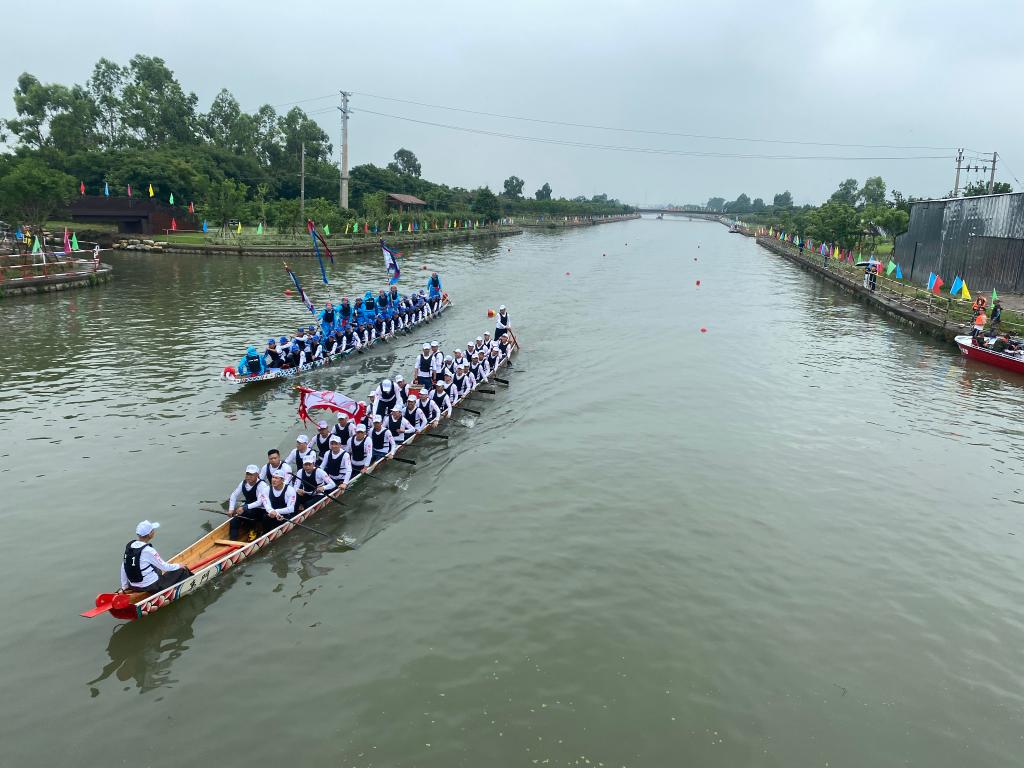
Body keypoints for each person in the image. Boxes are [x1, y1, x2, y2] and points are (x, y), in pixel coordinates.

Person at [119, 520, 192, 595]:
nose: (154, 531)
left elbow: (124, 567)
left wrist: (124, 586)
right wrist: (179, 565)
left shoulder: (130, 546)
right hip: (151, 586)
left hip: (133, 586)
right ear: (150, 534)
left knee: (158, 570)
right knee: (182, 570)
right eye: (153, 530)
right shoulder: (148, 550)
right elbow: (164, 567)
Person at [228, 465, 270, 540]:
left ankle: (255, 529)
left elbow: (259, 502)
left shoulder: (262, 486)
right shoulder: (243, 483)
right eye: (247, 474)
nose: (248, 477)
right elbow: (234, 495)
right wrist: (231, 509)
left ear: (257, 475)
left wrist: (244, 507)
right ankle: (232, 541)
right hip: (248, 508)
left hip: (262, 509)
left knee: (250, 513)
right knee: (234, 521)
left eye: (251, 475)